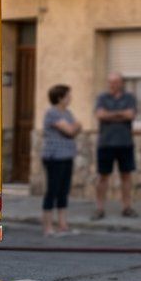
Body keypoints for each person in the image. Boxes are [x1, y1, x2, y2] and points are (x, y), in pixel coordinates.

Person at [92, 72, 138, 220]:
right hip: (106, 143)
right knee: (103, 177)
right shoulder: (102, 98)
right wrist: (120, 114)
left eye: (115, 82)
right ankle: (99, 208)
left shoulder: (129, 98)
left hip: (125, 143)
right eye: (109, 82)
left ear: (121, 83)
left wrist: (110, 114)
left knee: (126, 176)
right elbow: (100, 115)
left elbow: (131, 115)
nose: (111, 85)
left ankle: (127, 207)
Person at [40, 84, 81, 237]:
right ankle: (48, 227)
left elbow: (75, 129)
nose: (70, 98)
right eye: (68, 95)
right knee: (53, 191)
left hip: (67, 155)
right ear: (60, 97)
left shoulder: (68, 113)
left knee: (64, 191)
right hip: (54, 157)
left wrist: (74, 127)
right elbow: (70, 130)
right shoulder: (52, 113)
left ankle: (63, 225)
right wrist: (74, 126)